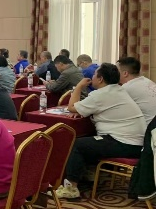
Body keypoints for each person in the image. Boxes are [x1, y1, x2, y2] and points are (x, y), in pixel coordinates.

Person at [57, 63, 146, 199]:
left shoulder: (101, 94)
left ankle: (71, 188)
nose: (92, 77)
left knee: (78, 145)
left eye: (94, 74)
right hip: (136, 143)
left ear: (100, 79)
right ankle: (89, 173)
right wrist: (80, 109)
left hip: (125, 143)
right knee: (90, 139)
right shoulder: (118, 90)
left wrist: (79, 86)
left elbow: (71, 107)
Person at [117, 57, 156, 125]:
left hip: (150, 129)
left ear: (125, 73)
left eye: (116, 70)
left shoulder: (127, 88)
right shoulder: (147, 81)